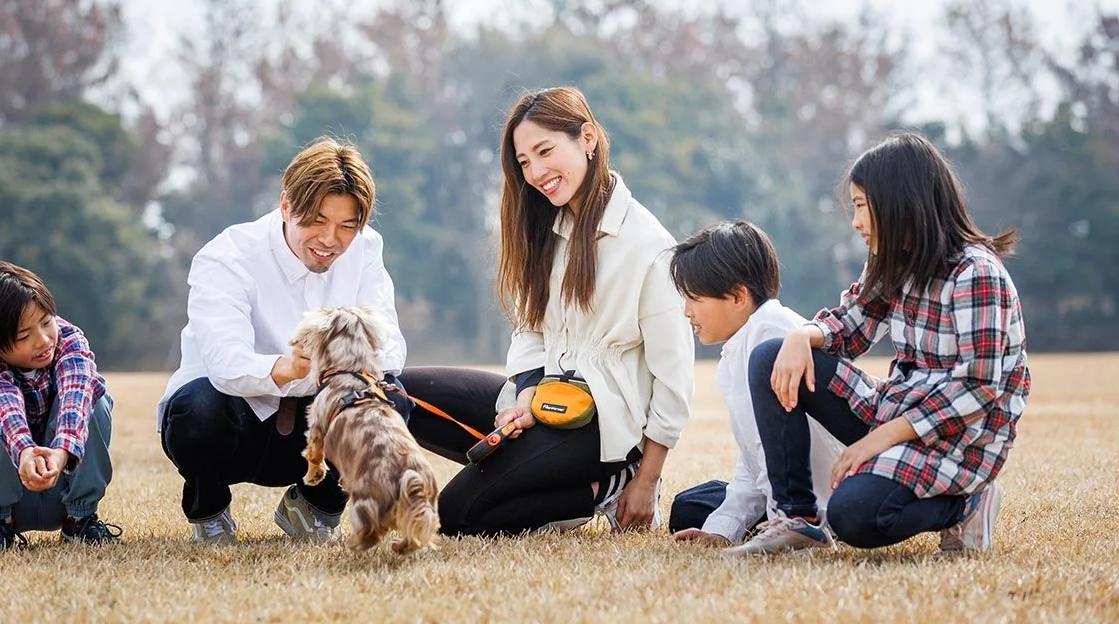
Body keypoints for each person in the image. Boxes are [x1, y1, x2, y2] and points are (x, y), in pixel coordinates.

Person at [720, 131, 1030, 557]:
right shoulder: (893, 261)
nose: (856, 222)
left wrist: (878, 439)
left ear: (901, 202)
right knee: (770, 357)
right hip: (897, 409)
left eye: (862, 206)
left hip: (960, 440)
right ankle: (798, 519)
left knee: (854, 517)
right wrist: (801, 335)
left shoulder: (976, 274)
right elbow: (852, 327)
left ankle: (966, 503)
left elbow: (977, 389)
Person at [401, 86, 694, 536]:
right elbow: (530, 330)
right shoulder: (547, 228)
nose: (536, 173)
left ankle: (604, 487)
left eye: (544, 151)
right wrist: (524, 395)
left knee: (455, 516)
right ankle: (532, 475)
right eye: (523, 162)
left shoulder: (649, 246)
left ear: (587, 138)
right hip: (542, 400)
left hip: (604, 430)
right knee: (397, 391)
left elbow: (674, 377)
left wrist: (647, 480)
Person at [157, 137, 411, 544]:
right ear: (287, 206)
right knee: (196, 410)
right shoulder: (227, 256)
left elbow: (390, 344)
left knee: (392, 399)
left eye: (347, 226)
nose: (330, 240)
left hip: (319, 426)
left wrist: (349, 369)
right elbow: (225, 363)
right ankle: (209, 510)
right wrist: (285, 368)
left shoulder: (366, 249)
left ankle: (315, 509)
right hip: (237, 423)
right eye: (317, 221)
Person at [666, 221, 843, 548]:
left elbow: (775, 456)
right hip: (786, 486)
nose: (687, 312)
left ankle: (793, 524)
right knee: (690, 506)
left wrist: (777, 524)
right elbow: (753, 462)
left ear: (737, 296)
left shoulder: (772, 333)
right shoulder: (736, 352)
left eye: (694, 299)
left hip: (824, 498)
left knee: (695, 507)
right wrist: (722, 530)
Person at [0, 260, 120, 550]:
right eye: (23, 336)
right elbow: (3, 405)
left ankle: (80, 520)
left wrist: (60, 454)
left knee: (95, 396)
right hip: (8, 491)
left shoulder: (69, 338)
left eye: (46, 322)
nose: (43, 340)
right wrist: (25, 452)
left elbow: (76, 392)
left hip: (61, 481)